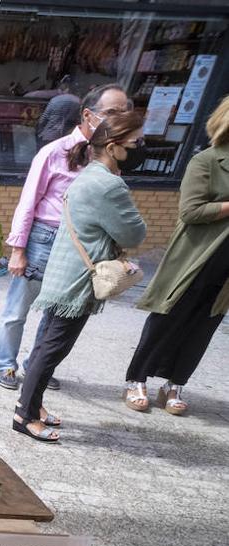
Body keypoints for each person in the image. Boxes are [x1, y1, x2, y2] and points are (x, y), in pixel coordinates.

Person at [14, 109, 147, 443]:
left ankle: (35, 406)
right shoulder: (108, 185)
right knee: (52, 349)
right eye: (135, 143)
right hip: (77, 282)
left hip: (65, 273)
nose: (139, 148)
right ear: (114, 147)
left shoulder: (88, 175)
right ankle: (24, 414)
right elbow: (134, 233)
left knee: (48, 345)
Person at [0, 83, 131, 390]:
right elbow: (28, 202)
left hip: (79, 246)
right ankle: (4, 363)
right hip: (44, 238)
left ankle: (37, 366)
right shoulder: (54, 152)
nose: (119, 119)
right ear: (89, 115)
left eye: (125, 112)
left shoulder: (111, 159)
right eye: (112, 112)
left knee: (56, 313)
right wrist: (18, 249)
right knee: (17, 309)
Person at [122, 94, 229, 416]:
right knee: (167, 320)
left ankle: (174, 384)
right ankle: (136, 379)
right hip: (196, 260)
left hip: (226, 270)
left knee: (203, 328)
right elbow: (191, 211)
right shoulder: (208, 161)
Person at [34, 77, 81, 147]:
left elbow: (44, 118)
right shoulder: (79, 101)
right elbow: (79, 119)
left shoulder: (55, 100)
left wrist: (39, 130)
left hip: (50, 136)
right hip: (67, 137)